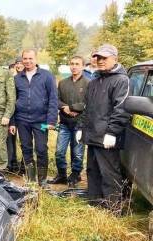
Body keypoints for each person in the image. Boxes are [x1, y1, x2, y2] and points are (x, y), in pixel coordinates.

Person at [76, 44, 130, 212]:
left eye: (104, 58)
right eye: (98, 58)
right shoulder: (94, 81)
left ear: (115, 58)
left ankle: (113, 208)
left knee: (109, 173)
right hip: (92, 134)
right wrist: (80, 127)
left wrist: (112, 132)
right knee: (92, 170)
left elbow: (121, 108)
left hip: (106, 136)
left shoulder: (121, 80)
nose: (100, 61)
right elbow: (87, 107)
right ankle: (95, 203)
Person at [10, 49, 58, 186]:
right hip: (22, 119)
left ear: (36, 59)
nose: (28, 61)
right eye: (25, 59)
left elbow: (53, 99)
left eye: (30, 58)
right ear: (22, 60)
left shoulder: (47, 76)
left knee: (41, 148)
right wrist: (12, 122)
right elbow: (13, 100)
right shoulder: (17, 78)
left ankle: (42, 181)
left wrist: (51, 120)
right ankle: (31, 180)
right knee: (26, 148)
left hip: (41, 121)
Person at [48, 56, 89, 187]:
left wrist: (73, 108)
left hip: (79, 124)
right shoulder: (63, 83)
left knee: (77, 152)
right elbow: (56, 100)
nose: (74, 66)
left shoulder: (88, 84)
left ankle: (76, 175)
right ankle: (61, 175)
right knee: (60, 151)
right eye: (72, 64)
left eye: (77, 64)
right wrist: (64, 107)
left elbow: (88, 103)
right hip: (65, 123)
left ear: (83, 66)